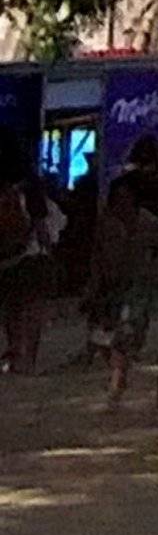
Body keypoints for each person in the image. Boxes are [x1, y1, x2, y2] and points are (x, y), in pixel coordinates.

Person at [85, 174, 158, 407]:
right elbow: (98, 255)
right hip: (110, 286)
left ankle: (118, 379)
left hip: (137, 285)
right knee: (106, 337)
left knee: (127, 333)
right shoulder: (107, 223)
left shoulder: (148, 223)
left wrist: (154, 270)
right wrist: (93, 285)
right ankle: (118, 375)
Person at [0, 158, 64, 374]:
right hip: (34, 258)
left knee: (11, 310)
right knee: (33, 311)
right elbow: (46, 231)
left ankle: (14, 352)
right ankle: (29, 360)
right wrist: (51, 256)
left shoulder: (7, 195)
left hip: (8, 260)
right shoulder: (37, 198)